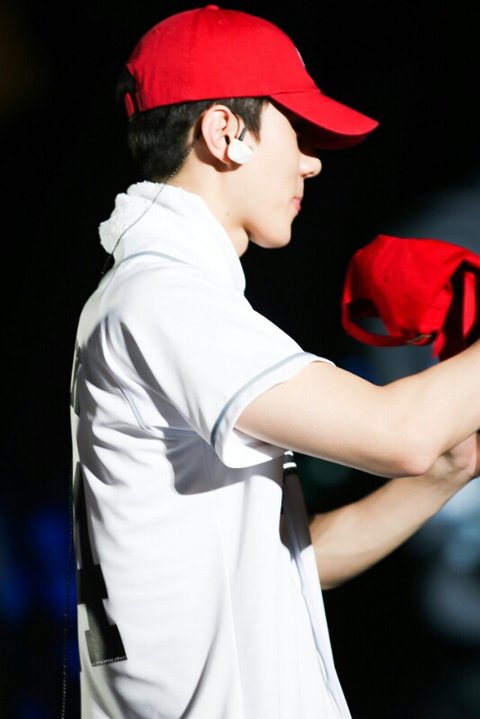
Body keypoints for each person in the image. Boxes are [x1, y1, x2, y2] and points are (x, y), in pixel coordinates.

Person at [70, 6, 480, 718]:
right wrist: (427, 444)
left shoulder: (157, 296)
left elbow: (289, 567)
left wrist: (451, 469)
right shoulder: (162, 298)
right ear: (225, 132)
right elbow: (401, 433)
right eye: (298, 131)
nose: (312, 162)